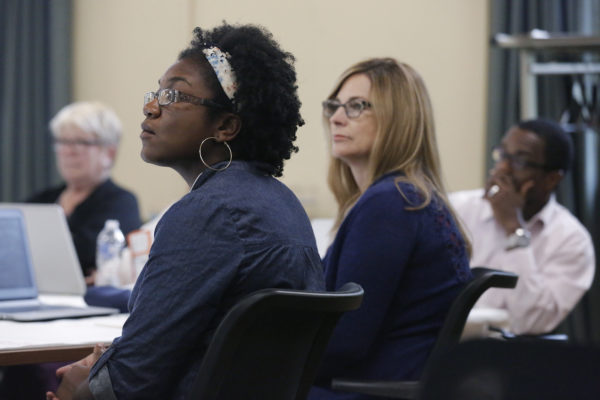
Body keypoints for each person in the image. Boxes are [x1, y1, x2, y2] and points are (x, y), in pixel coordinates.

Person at [46, 23, 324, 400]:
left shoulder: (208, 213)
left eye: (173, 94)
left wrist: (83, 384)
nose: (150, 107)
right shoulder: (283, 203)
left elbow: (132, 381)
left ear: (226, 126)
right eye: (156, 92)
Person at [309, 58, 472, 400]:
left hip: (364, 391)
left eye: (356, 107)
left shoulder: (391, 204)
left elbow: (343, 342)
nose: (336, 118)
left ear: (397, 117)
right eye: (334, 106)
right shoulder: (407, 196)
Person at [450, 118, 595, 335]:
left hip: (505, 359)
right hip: (434, 347)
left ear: (551, 179)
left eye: (520, 162)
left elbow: (531, 321)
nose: (502, 168)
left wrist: (514, 228)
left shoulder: (572, 240)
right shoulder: (457, 209)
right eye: (502, 154)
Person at [27, 101, 141, 279]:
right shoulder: (41, 200)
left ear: (109, 153)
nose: (68, 151)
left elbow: (84, 255)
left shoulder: (121, 202)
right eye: (63, 141)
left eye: (81, 142)